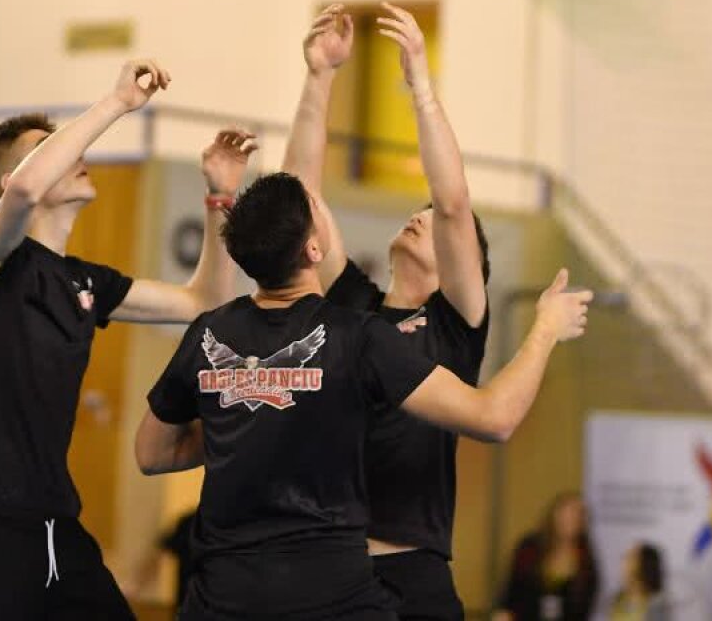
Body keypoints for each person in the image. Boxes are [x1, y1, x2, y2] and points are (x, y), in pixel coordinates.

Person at [136, 170, 593, 621]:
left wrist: (239, 409)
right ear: (315, 247)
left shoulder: (208, 333)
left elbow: (151, 453)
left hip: (222, 595)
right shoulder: (356, 339)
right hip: (326, 593)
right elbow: (494, 417)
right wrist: (546, 329)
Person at [0, 58, 257, 619]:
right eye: (51, 149)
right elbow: (28, 186)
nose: (77, 155)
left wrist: (219, 199)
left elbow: (204, 304)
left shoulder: (84, 282)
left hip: (57, 530)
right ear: (11, 182)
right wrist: (118, 103)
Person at [281, 1, 486, 621]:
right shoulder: (354, 310)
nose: (423, 214)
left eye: (445, 226)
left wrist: (419, 81)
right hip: (335, 570)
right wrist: (319, 79)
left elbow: (452, 201)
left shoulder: (456, 323)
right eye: (416, 210)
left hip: (415, 571)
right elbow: (298, 203)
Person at [491, 491, 599, 621]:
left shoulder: (585, 556)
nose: (572, 519)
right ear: (555, 515)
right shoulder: (531, 547)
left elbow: (587, 600)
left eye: (578, 514)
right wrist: (503, 612)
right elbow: (511, 586)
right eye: (568, 514)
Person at [608, 543, 670, 620]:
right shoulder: (618, 599)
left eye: (631, 558)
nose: (624, 562)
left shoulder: (656, 603)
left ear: (645, 565)